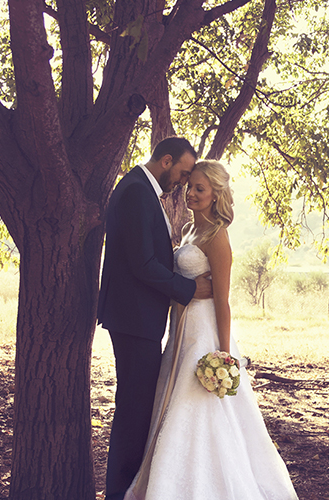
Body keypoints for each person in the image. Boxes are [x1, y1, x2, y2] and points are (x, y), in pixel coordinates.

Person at [125, 160, 298, 500]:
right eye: (191, 187)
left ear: (216, 195)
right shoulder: (191, 230)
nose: (191, 193)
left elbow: (223, 300)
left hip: (204, 332)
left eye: (200, 189)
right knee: (173, 397)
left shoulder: (218, 237)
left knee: (197, 404)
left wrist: (224, 353)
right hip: (181, 330)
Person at [98, 137, 214, 500]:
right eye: (181, 173)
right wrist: (187, 289)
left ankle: (129, 486)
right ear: (166, 161)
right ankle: (120, 492)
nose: (182, 182)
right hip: (133, 319)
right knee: (133, 411)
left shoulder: (142, 191)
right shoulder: (135, 192)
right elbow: (142, 263)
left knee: (137, 407)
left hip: (139, 318)